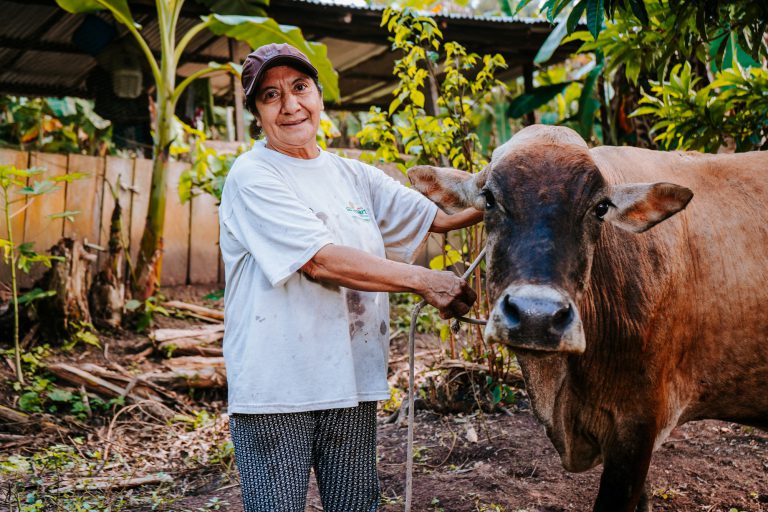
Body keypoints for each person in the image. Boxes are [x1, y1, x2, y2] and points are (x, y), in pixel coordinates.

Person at [219, 43, 483, 512]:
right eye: (271, 96)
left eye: (300, 88)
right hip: (278, 388)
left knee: (355, 505)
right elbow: (320, 261)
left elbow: (439, 218)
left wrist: (509, 189)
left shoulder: (351, 175)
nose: (290, 105)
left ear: (319, 96)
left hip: (349, 378)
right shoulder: (252, 174)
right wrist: (426, 280)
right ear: (256, 113)